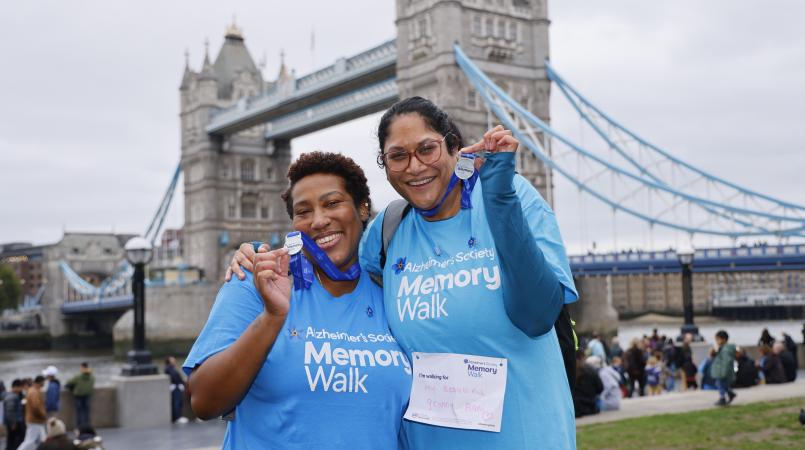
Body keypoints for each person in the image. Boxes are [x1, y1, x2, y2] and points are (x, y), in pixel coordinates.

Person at [229, 97, 578, 448]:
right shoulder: (387, 231)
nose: (414, 167)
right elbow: (334, 279)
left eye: (427, 149)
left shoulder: (512, 197)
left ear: (454, 147)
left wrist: (500, 199)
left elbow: (537, 315)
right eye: (398, 156)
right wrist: (259, 258)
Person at [185, 152, 411, 449]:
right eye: (303, 212)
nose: (319, 220)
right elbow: (204, 401)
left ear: (363, 208)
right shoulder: (256, 283)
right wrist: (272, 317)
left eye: (332, 203)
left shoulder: (393, 293)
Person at [18, 376, 47, 450]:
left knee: (43, 440)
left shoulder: (33, 390)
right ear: (41, 382)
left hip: (35, 420)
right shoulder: (34, 392)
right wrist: (43, 415)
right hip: (35, 421)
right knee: (30, 441)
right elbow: (36, 407)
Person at [710, 330, 736, 406]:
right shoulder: (722, 348)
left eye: (718, 339)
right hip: (721, 371)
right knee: (723, 384)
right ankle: (730, 394)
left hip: (722, 372)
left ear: (724, 339)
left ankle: (722, 398)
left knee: (720, 384)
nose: (716, 342)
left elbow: (726, 361)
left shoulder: (726, 350)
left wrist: (724, 372)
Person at [65, 363, 94, 429]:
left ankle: (79, 426)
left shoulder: (78, 376)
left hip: (78, 396)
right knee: (86, 411)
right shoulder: (92, 377)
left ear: (82, 368)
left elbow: (69, 383)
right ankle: (87, 426)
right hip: (87, 395)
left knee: (79, 411)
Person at [573, 353, 603, 418]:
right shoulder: (591, 369)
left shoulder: (568, 370)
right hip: (590, 405)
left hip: (576, 406)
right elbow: (600, 388)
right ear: (583, 357)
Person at [163, 357, 186, 423]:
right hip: (175, 388)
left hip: (177, 387)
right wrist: (179, 383)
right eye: (172, 359)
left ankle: (178, 417)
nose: (174, 360)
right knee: (177, 402)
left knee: (178, 402)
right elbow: (174, 376)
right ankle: (177, 417)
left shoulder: (171, 368)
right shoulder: (168, 368)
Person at [4, 379, 25, 450]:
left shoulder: (13, 395)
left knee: (12, 440)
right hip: (14, 423)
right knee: (14, 441)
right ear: (15, 387)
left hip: (14, 422)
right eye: (20, 387)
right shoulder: (12, 397)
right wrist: (13, 423)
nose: (21, 389)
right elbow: (10, 411)